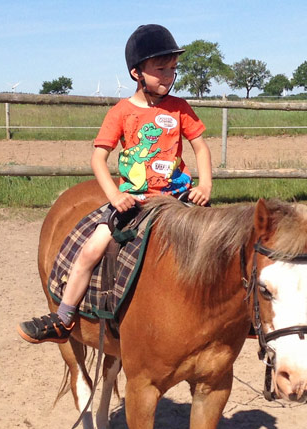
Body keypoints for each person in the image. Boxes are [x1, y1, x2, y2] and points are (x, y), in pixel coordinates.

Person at [18, 24, 212, 344]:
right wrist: (115, 194)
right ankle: (64, 317)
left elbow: (201, 147)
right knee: (90, 249)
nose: (169, 76)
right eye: (160, 69)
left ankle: (234, 315)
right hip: (133, 201)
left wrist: (204, 186)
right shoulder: (121, 112)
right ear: (137, 72)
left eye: (173, 69)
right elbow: (98, 159)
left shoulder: (180, 108)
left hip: (176, 198)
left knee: (219, 247)